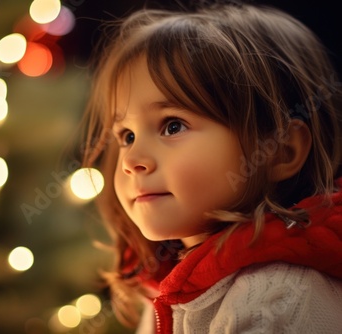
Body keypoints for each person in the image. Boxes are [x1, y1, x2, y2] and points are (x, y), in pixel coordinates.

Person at [78, 1, 342, 333]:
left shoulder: (277, 302)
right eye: (127, 135)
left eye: (172, 126)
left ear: (280, 152)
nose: (131, 161)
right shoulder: (168, 285)